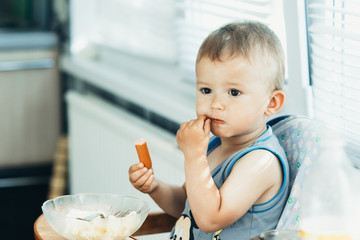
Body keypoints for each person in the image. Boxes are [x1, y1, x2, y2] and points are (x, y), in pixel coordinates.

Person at [128, 21, 289, 240]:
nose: (215, 104)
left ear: (271, 103)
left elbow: (210, 219)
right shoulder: (216, 146)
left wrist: (194, 156)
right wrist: (154, 187)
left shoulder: (261, 161)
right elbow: (187, 204)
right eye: (206, 90)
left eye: (234, 92)